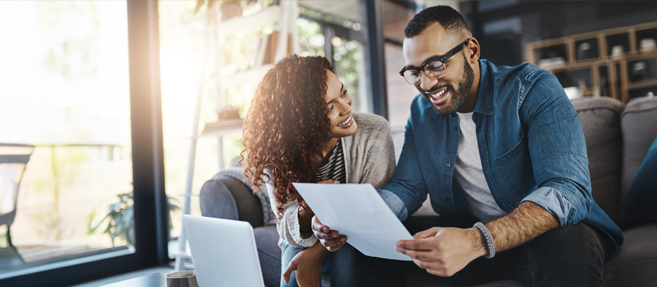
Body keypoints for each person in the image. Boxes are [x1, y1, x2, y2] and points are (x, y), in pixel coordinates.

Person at [312, 6, 624, 287]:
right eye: (415, 72)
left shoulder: (532, 89)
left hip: (541, 236)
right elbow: (407, 187)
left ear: (471, 50)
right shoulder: (421, 115)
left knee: (569, 241)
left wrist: (477, 240)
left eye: (435, 65)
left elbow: (567, 189)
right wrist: (352, 221)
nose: (427, 83)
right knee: (355, 251)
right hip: (471, 236)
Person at [241, 55, 395, 287]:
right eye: (330, 107)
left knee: (344, 254)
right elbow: (286, 230)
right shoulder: (279, 154)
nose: (347, 108)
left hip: (356, 237)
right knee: (292, 262)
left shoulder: (374, 132)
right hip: (304, 238)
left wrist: (313, 256)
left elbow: (371, 212)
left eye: (343, 93)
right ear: (302, 120)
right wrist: (305, 211)